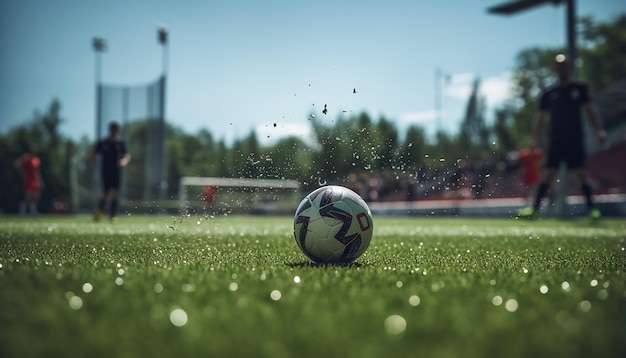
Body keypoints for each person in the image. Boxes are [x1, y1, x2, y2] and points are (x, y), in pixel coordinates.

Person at [517, 54, 607, 219]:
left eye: (565, 65)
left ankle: (592, 209)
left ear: (569, 68)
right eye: (559, 66)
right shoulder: (549, 92)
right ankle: (535, 209)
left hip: (575, 139)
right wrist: (535, 137)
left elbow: (590, 110)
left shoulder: (579, 88)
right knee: (549, 174)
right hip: (556, 140)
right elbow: (539, 117)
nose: (562, 69)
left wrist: (599, 130)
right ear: (555, 69)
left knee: (581, 174)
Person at [90, 122, 131, 222]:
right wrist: (92, 163)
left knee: (116, 193)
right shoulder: (103, 142)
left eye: (115, 129)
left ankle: (112, 215)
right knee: (105, 193)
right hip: (105, 171)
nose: (113, 131)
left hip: (117, 171)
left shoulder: (121, 142)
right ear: (109, 130)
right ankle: (98, 212)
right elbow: (93, 153)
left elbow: (127, 155)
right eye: (112, 129)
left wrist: (124, 161)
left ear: (117, 130)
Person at [14, 144, 44, 216]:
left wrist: (40, 180)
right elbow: (17, 164)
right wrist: (22, 174)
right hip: (28, 179)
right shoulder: (26, 158)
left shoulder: (36, 160)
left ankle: (33, 211)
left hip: (35, 179)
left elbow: (37, 171)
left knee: (36, 196)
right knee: (28, 196)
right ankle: (23, 211)